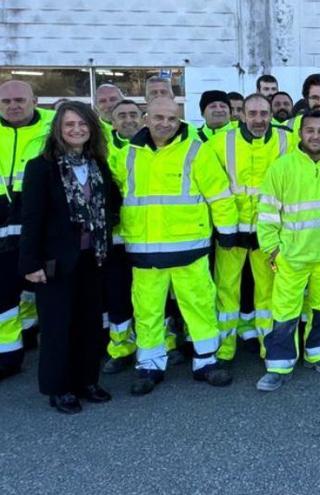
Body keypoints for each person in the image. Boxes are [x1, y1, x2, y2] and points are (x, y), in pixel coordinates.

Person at [109, 97, 237, 395]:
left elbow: (219, 195)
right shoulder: (126, 155)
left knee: (200, 305)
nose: (164, 123)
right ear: (146, 118)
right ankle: (150, 365)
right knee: (148, 310)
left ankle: (206, 361)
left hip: (188, 249)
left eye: (171, 118)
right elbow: (113, 197)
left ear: (179, 120)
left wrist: (227, 232)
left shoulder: (196, 151)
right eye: (158, 117)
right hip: (143, 251)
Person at [19, 102, 118, 413]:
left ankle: (86, 381)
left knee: (89, 324)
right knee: (57, 326)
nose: (77, 129)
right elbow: (31, 218)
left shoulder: (98, 165)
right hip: (55, 262)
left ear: (92, 128)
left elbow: (110, 205)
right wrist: (30, 263)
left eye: (82, 124)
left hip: (93, 257)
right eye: (69, 125)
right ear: (58, 131)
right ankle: (58, 388)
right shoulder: (41, 168)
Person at [255, 110, 320, 391]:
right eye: (310, 130)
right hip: (292, 255)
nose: (315, 136)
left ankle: (317, 354)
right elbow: (268, 212)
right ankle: (278, 366)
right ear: (300, 133)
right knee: (284, 311)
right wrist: (272, 250)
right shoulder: (282, 167)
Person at [206, 94, 294, 364]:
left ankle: (269, 348)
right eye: (253, 113)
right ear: (241, 115)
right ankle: (224, 349)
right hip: (231, 233)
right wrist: (224, 228)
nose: (259, 119)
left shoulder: (286, 139)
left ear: (270, 115)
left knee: (268, 292)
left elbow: (316, 152)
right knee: (226, 291)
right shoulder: (221, 142)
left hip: (268, 234)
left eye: (264, 113)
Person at [0, 80, 52, 378]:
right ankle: (7, 356)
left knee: (41, 290)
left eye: (20, 99)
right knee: (3, 296)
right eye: (6, 101)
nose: (13, 105)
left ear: (35, 100)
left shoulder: (52, 128)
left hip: (40, 218)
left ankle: (38, 339)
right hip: (1, 221)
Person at [101, 98, 144, 373]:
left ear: (142, 118)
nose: (128, 120)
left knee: (152, 298)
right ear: (112, 122)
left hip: (147, 238)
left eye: (133, 114)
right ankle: (120, 348)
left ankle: (162, 342)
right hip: (116, 239)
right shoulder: (102, 152)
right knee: (117, 297)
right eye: (122, 116)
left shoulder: (152, 148)